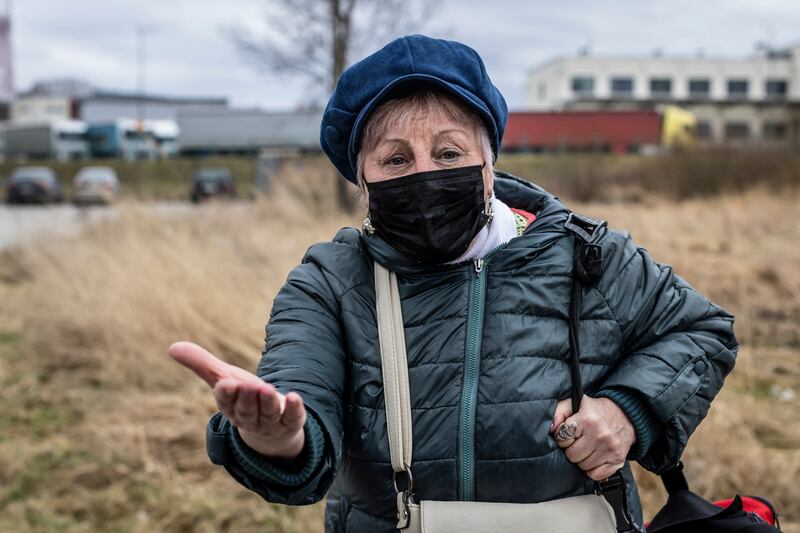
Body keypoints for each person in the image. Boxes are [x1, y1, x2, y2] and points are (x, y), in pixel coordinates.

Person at [169, 34, 738, 532]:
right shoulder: (330, 281)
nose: (425, 174)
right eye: (395, 160)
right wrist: (278, 440)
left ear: (490, 160)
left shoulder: (588, 255)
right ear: (361, 181)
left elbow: (703, 332)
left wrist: (627, 410)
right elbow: (299, 394)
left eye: (449, 152)